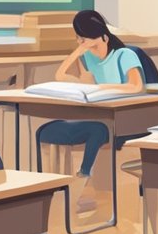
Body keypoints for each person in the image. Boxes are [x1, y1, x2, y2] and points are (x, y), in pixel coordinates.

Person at [39, 11, 145, 213]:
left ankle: (83, 178)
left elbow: (136, 86)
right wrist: (77, 53)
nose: (82, 43)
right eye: (78, 38)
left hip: (126, 118)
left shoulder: (125, 55)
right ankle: (59, 190)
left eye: (85, 38)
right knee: (55, 130)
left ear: (102, 35)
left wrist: (103, 88)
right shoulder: (87, 56)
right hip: (100, 115)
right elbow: (61, 76)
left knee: (96, 131)